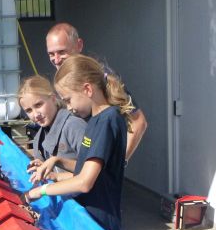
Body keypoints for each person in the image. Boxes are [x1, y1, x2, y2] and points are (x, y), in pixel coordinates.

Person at [24, 55, 132, 230]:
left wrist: (40, 191)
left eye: (68, 100)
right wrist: (56, 166)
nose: (68, 107)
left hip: (100, 223)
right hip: (87, 218)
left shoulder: (107, 121)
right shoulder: (93, 121)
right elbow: (88, 170)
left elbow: (84, 182)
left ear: (87, 89)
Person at [45, 22, 148, 164]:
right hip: (72, 165)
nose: (56, 60)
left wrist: (118, 163)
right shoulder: (61, 78)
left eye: (62, 52)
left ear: (79, 45)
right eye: (51, 54)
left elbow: (138, 122)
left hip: (93, 167)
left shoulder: (99, 76)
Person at [17, 75, 86, 183]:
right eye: (29, 110)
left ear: (53, 99)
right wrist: (44, 168)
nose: (36, 114)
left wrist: (57, 168)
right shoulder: (39, 137)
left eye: (38, 105)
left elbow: (93, 171)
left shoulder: (74, 126)